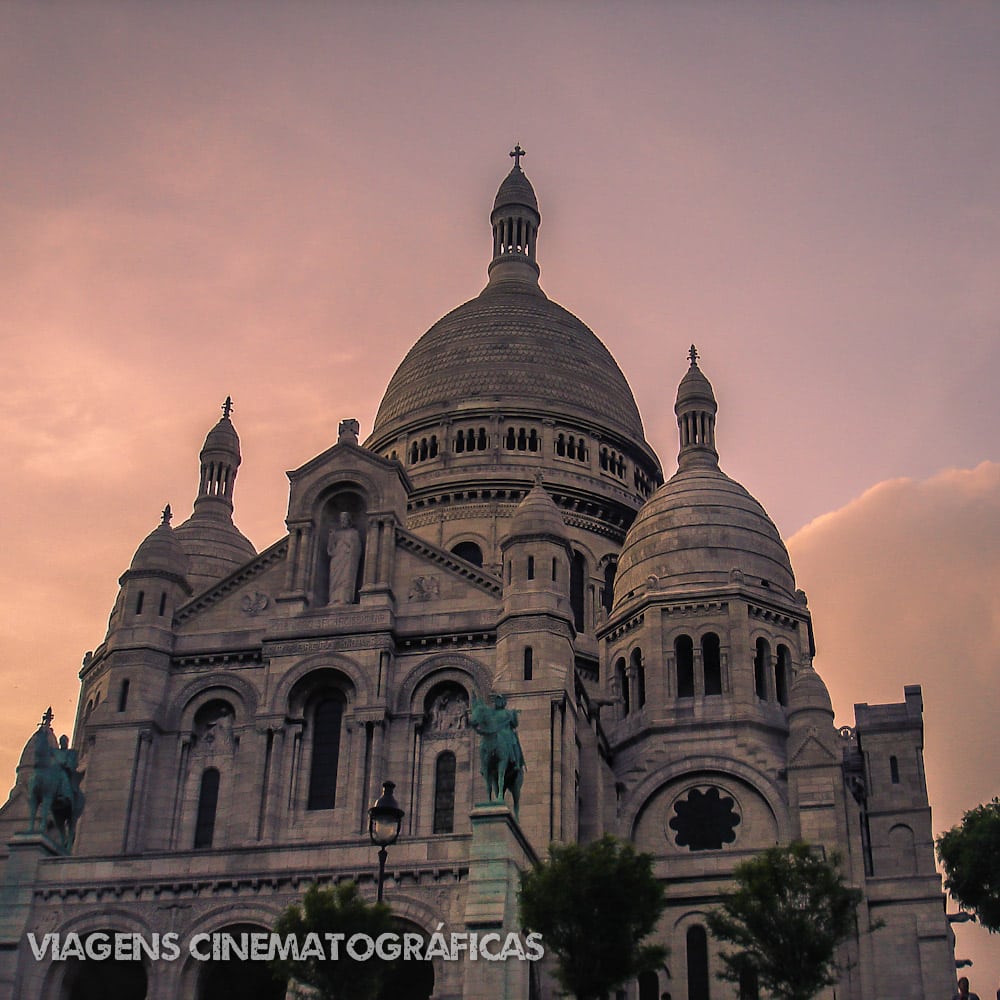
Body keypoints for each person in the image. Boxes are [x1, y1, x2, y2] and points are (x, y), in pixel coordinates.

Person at [327, 511, 362, 604]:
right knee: (335, 580)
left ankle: (345, 598)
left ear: (348, 521)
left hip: (348, 559)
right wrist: (331, 537)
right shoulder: (336, 534)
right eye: (341, 519)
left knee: (346, 579)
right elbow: (330, 549)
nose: (342, 521)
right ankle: (333, 599)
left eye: (344, 519)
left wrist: (349, 547)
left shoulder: (354, 533)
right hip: (336, 558)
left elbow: (357, 548)